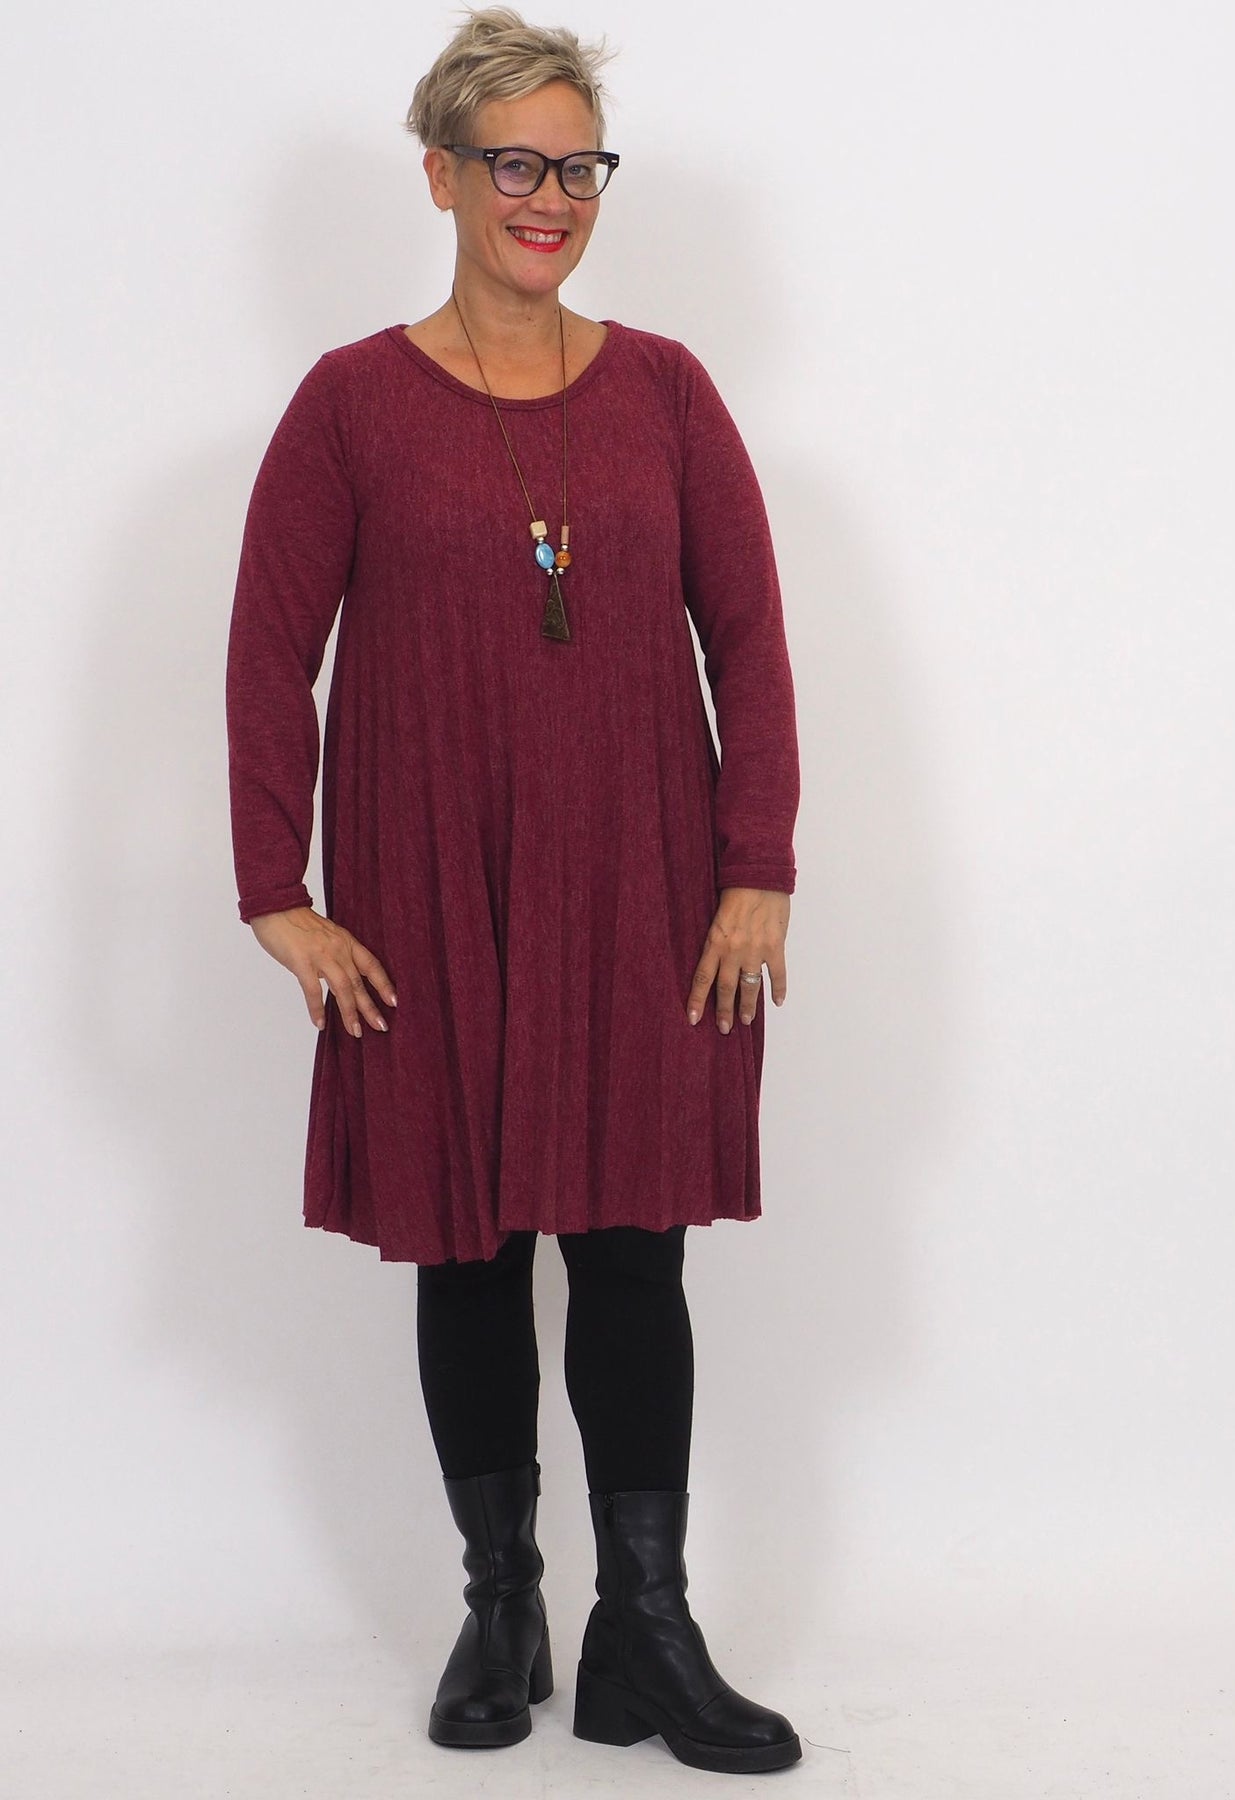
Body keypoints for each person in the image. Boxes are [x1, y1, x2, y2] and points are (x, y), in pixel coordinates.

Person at [224, 4, 802, 1776]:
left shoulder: (669, 391)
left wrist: (757, 867)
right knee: (467, 1253)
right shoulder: (348, 404)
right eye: (515, 166)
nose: (550, 199)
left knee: (633, 1254)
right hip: (428, 897)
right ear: (443, 177)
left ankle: (648, 1628)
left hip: (640, 888)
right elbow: (267, 655)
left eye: (577, 167)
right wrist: (277, 889)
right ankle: (504, 1603)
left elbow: (750, 641)